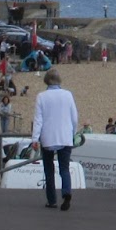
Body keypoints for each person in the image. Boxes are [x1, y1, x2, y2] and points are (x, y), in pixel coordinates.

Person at [32, 69, 80, 211]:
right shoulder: (67, 95)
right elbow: (74, 117)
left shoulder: (42, 96)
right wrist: (73, 133)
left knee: (49, 169)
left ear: (46, 81)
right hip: (65, 136)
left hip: (48, 137)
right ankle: (66, 193)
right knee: (64, 168)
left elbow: (38, 119)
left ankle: (52, 200)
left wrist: (35, 138)